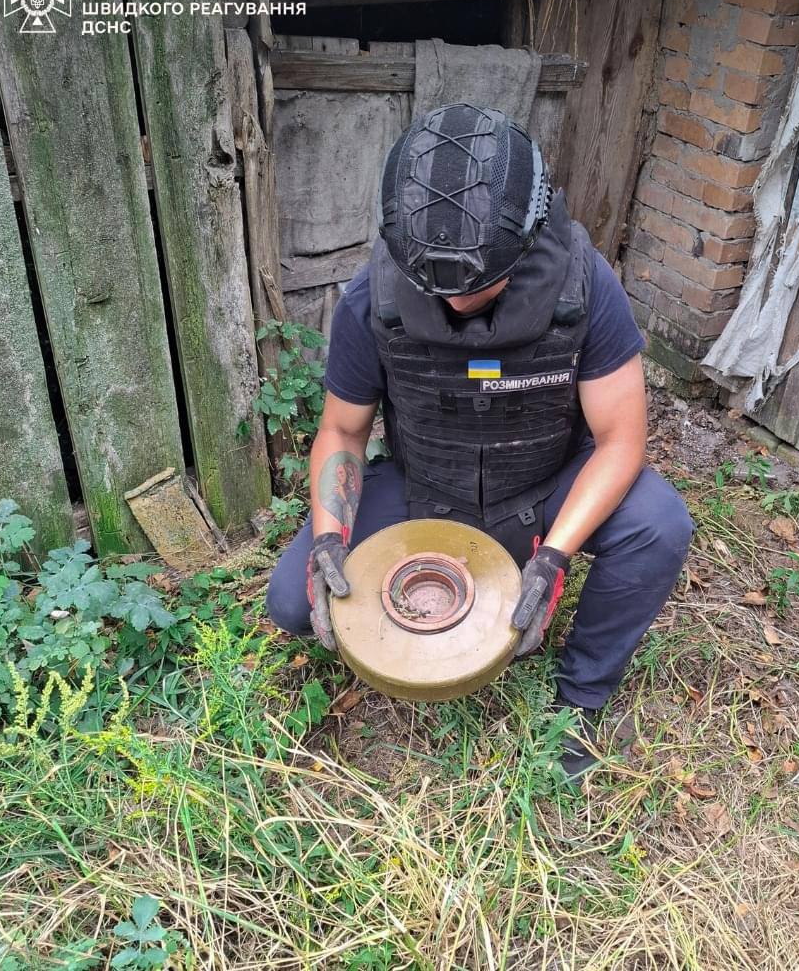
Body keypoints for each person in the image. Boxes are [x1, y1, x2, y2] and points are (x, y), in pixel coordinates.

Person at [267, 103, 694, 777]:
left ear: (523, 240)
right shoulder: (370, 299)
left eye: (473, 281)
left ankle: (579, 698)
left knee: (659, 526)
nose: (454, 299)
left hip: (544, 483)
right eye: (430, 282)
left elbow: (620, 440)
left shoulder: (586, 290)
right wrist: (327, 538)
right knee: (292, 600)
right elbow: (343, 429)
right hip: (425, 486)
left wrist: (553, 560)